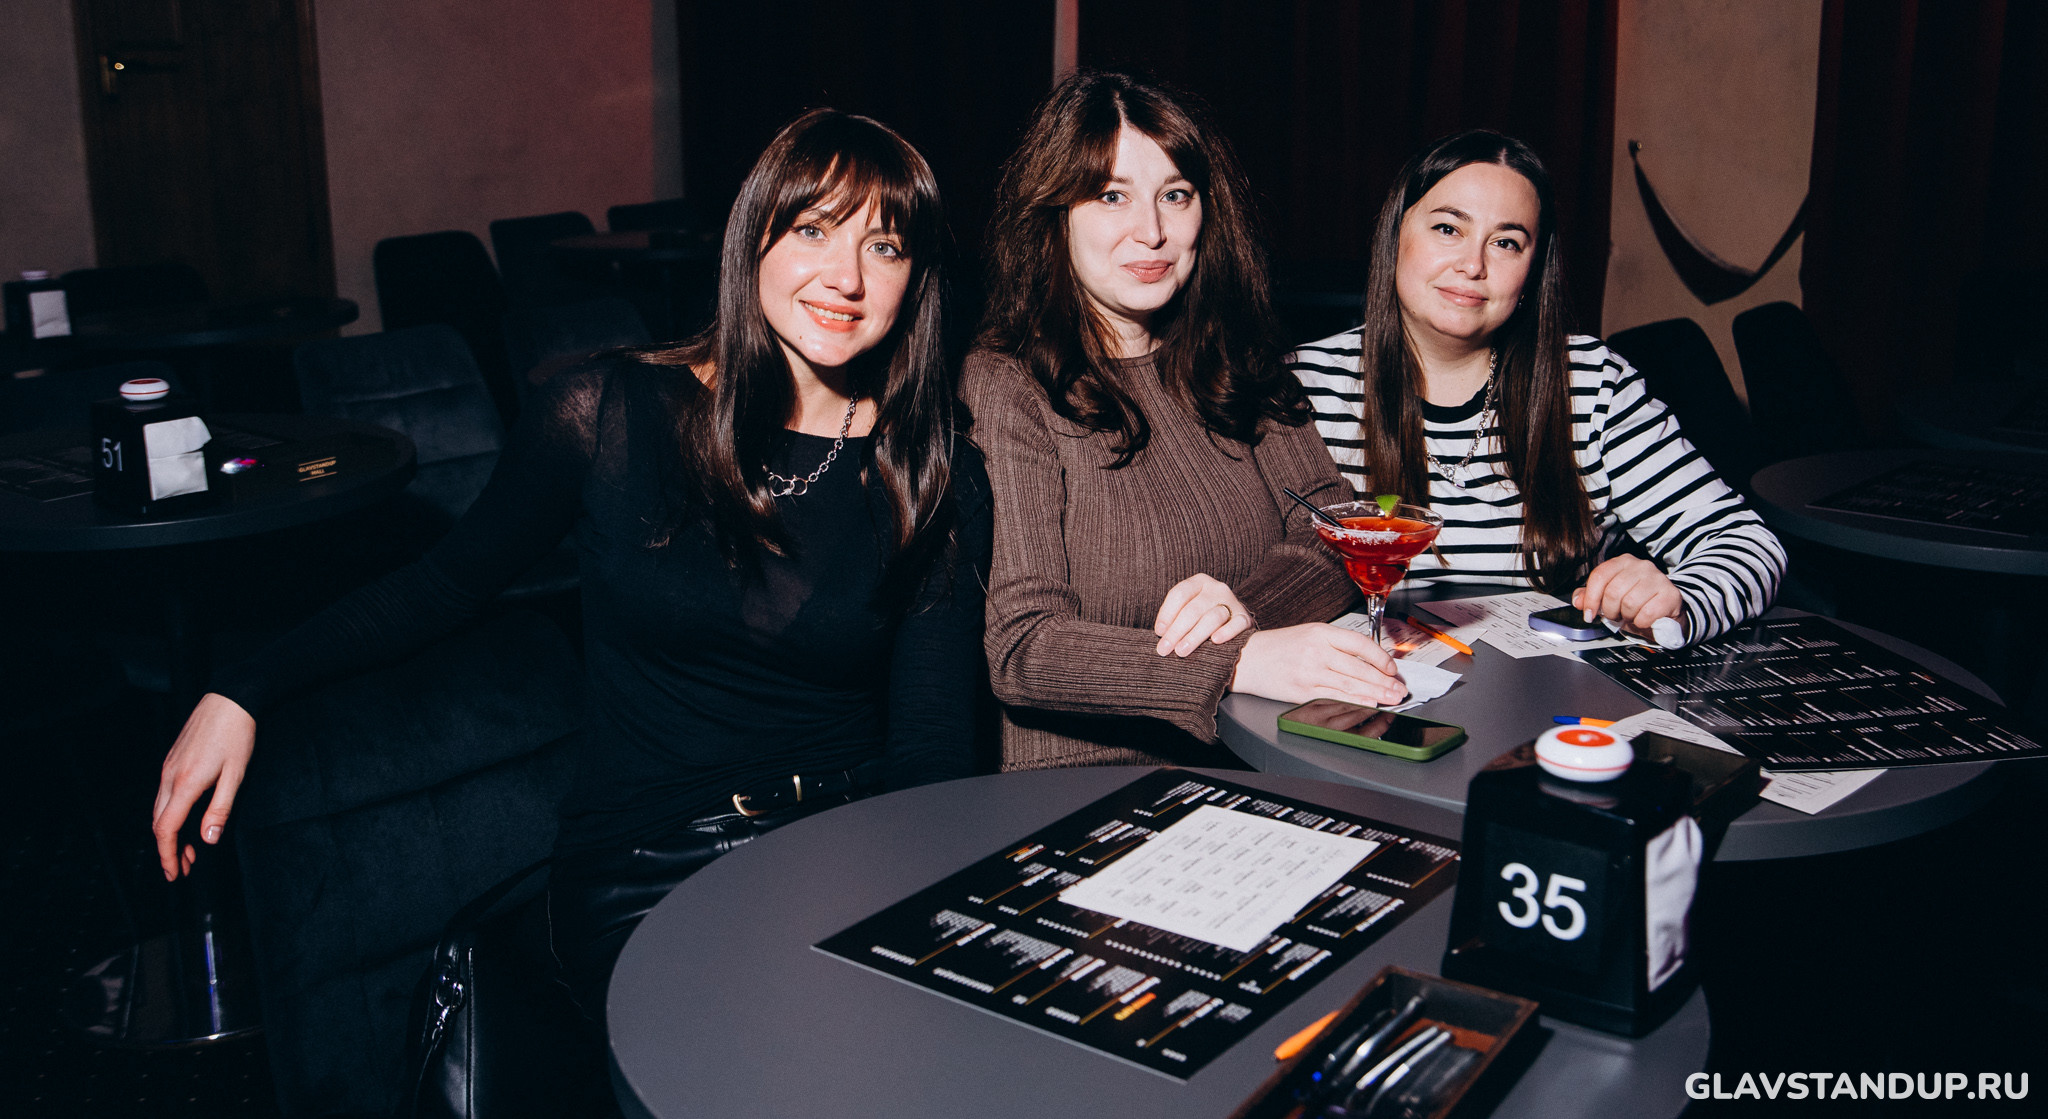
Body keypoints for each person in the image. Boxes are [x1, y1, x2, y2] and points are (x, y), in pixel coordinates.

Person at [152, 109, 991, 1021]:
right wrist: (244, 687)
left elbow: (933, 746)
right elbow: (442, 585)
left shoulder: (932, 471)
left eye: (885, 246)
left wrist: (925, 923)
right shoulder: (608, 414)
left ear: (916, 280)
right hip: (653, 866)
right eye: (814, 230)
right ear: (754, 239)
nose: (847, 276)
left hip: (847, 843)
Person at [963, 69, 1404, 773]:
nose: (1153, 232)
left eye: (1176, 195)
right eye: (1112, 196)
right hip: (1093, 779)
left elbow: (1337, 531)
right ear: (1055, 215)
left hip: (1265, 756)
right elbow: (1024, 648)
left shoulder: (1236, 359)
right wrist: (1235, 660)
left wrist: (1244, 611)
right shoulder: (1008, 382)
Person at [1291, 129, 1784, 642]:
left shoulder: (1591, 383)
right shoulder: (1302, 387)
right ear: (1395, 235)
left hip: (1550, 686)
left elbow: (1748, 545)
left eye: (1506, 242)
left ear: (1532, 269)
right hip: (1360, 684)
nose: (1473, 265)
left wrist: (1676, 602)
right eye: (1447, 228)